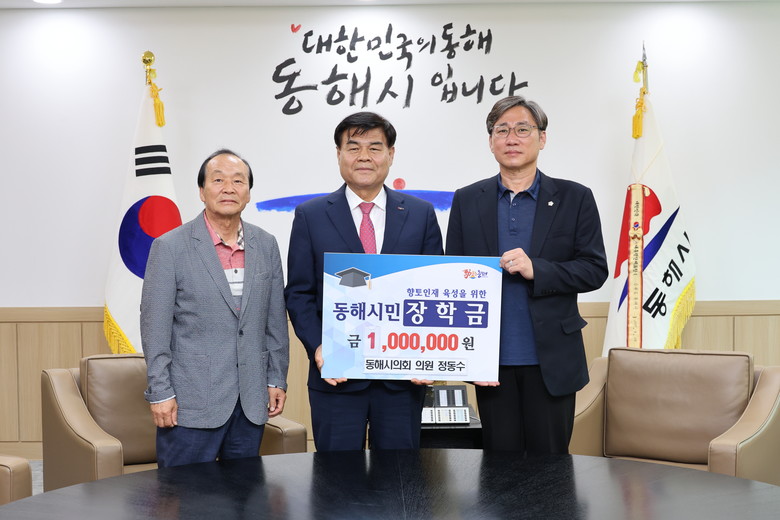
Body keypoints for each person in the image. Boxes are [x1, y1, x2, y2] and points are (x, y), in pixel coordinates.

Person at [446, 96, 608, 454]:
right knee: (498, 470)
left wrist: (538, 269)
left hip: (551, 360)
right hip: (491, 361)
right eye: (502, 130)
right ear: (491, 141)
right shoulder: (467, 199)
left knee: (550, 470)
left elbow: (594, 270)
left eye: (523, 129)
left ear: (542, 138)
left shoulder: (575, 197)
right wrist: (465, 359)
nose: (512, 138)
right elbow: (452, 277)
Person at [285, 111, 443, 451]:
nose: (364, 157)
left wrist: (428, 356)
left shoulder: (420, 214)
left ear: (391, 154)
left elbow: (434, 291)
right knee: (337, 477)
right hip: (336, 376)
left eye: (374, 147)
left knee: (399, 476)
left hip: (402, 380)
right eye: (353, 147)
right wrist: (319, 347)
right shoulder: (311, 216)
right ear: (339, 154)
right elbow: (299, 293)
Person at [141, 149, 289, 467]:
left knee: (244, 493)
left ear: (248, 192)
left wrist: (276, 378)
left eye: (238, 181)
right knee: (184, 493)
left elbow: (275, 320)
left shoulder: (266, 244)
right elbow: (155, 329)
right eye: (218, 180)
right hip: (190, 402)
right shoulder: (170, 247)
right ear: (202, 191)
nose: (228, 188)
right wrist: (161, 392)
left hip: (250, 401)